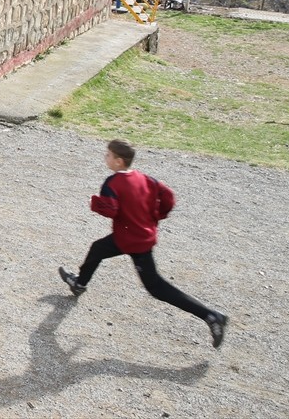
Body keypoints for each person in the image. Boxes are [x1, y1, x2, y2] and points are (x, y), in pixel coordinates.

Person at [58, 139, 229, 349]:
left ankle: (211, 316)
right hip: (140, 234)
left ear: (119, 161)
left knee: (156, 287)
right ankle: (79, 283)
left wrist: (95, 202)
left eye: (108, 155)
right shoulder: (145, 178)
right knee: (98, 248)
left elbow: (110, 210)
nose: (105, 158)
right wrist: (156, 216)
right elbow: (168, 197)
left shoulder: (112, 183)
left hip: (131, 240)